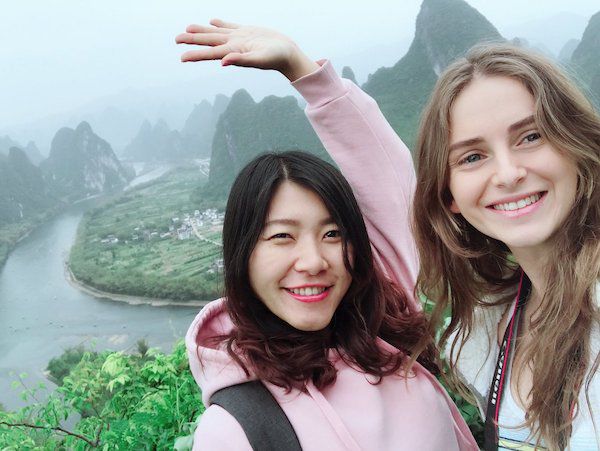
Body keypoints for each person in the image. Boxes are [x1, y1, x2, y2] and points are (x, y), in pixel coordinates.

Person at [177, 20, 600, 450]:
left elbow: (389, 188)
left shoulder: (382, 324)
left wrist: (309, 75)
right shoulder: (239, 427)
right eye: (282, 237)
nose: (312, 260)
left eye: (333, 233)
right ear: (241, 257)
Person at [412, 46, 600, 450]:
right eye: (472, 157)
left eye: (531, 136)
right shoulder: (488, 330)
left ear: (577, 147)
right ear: (449, 196)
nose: (509, 174)